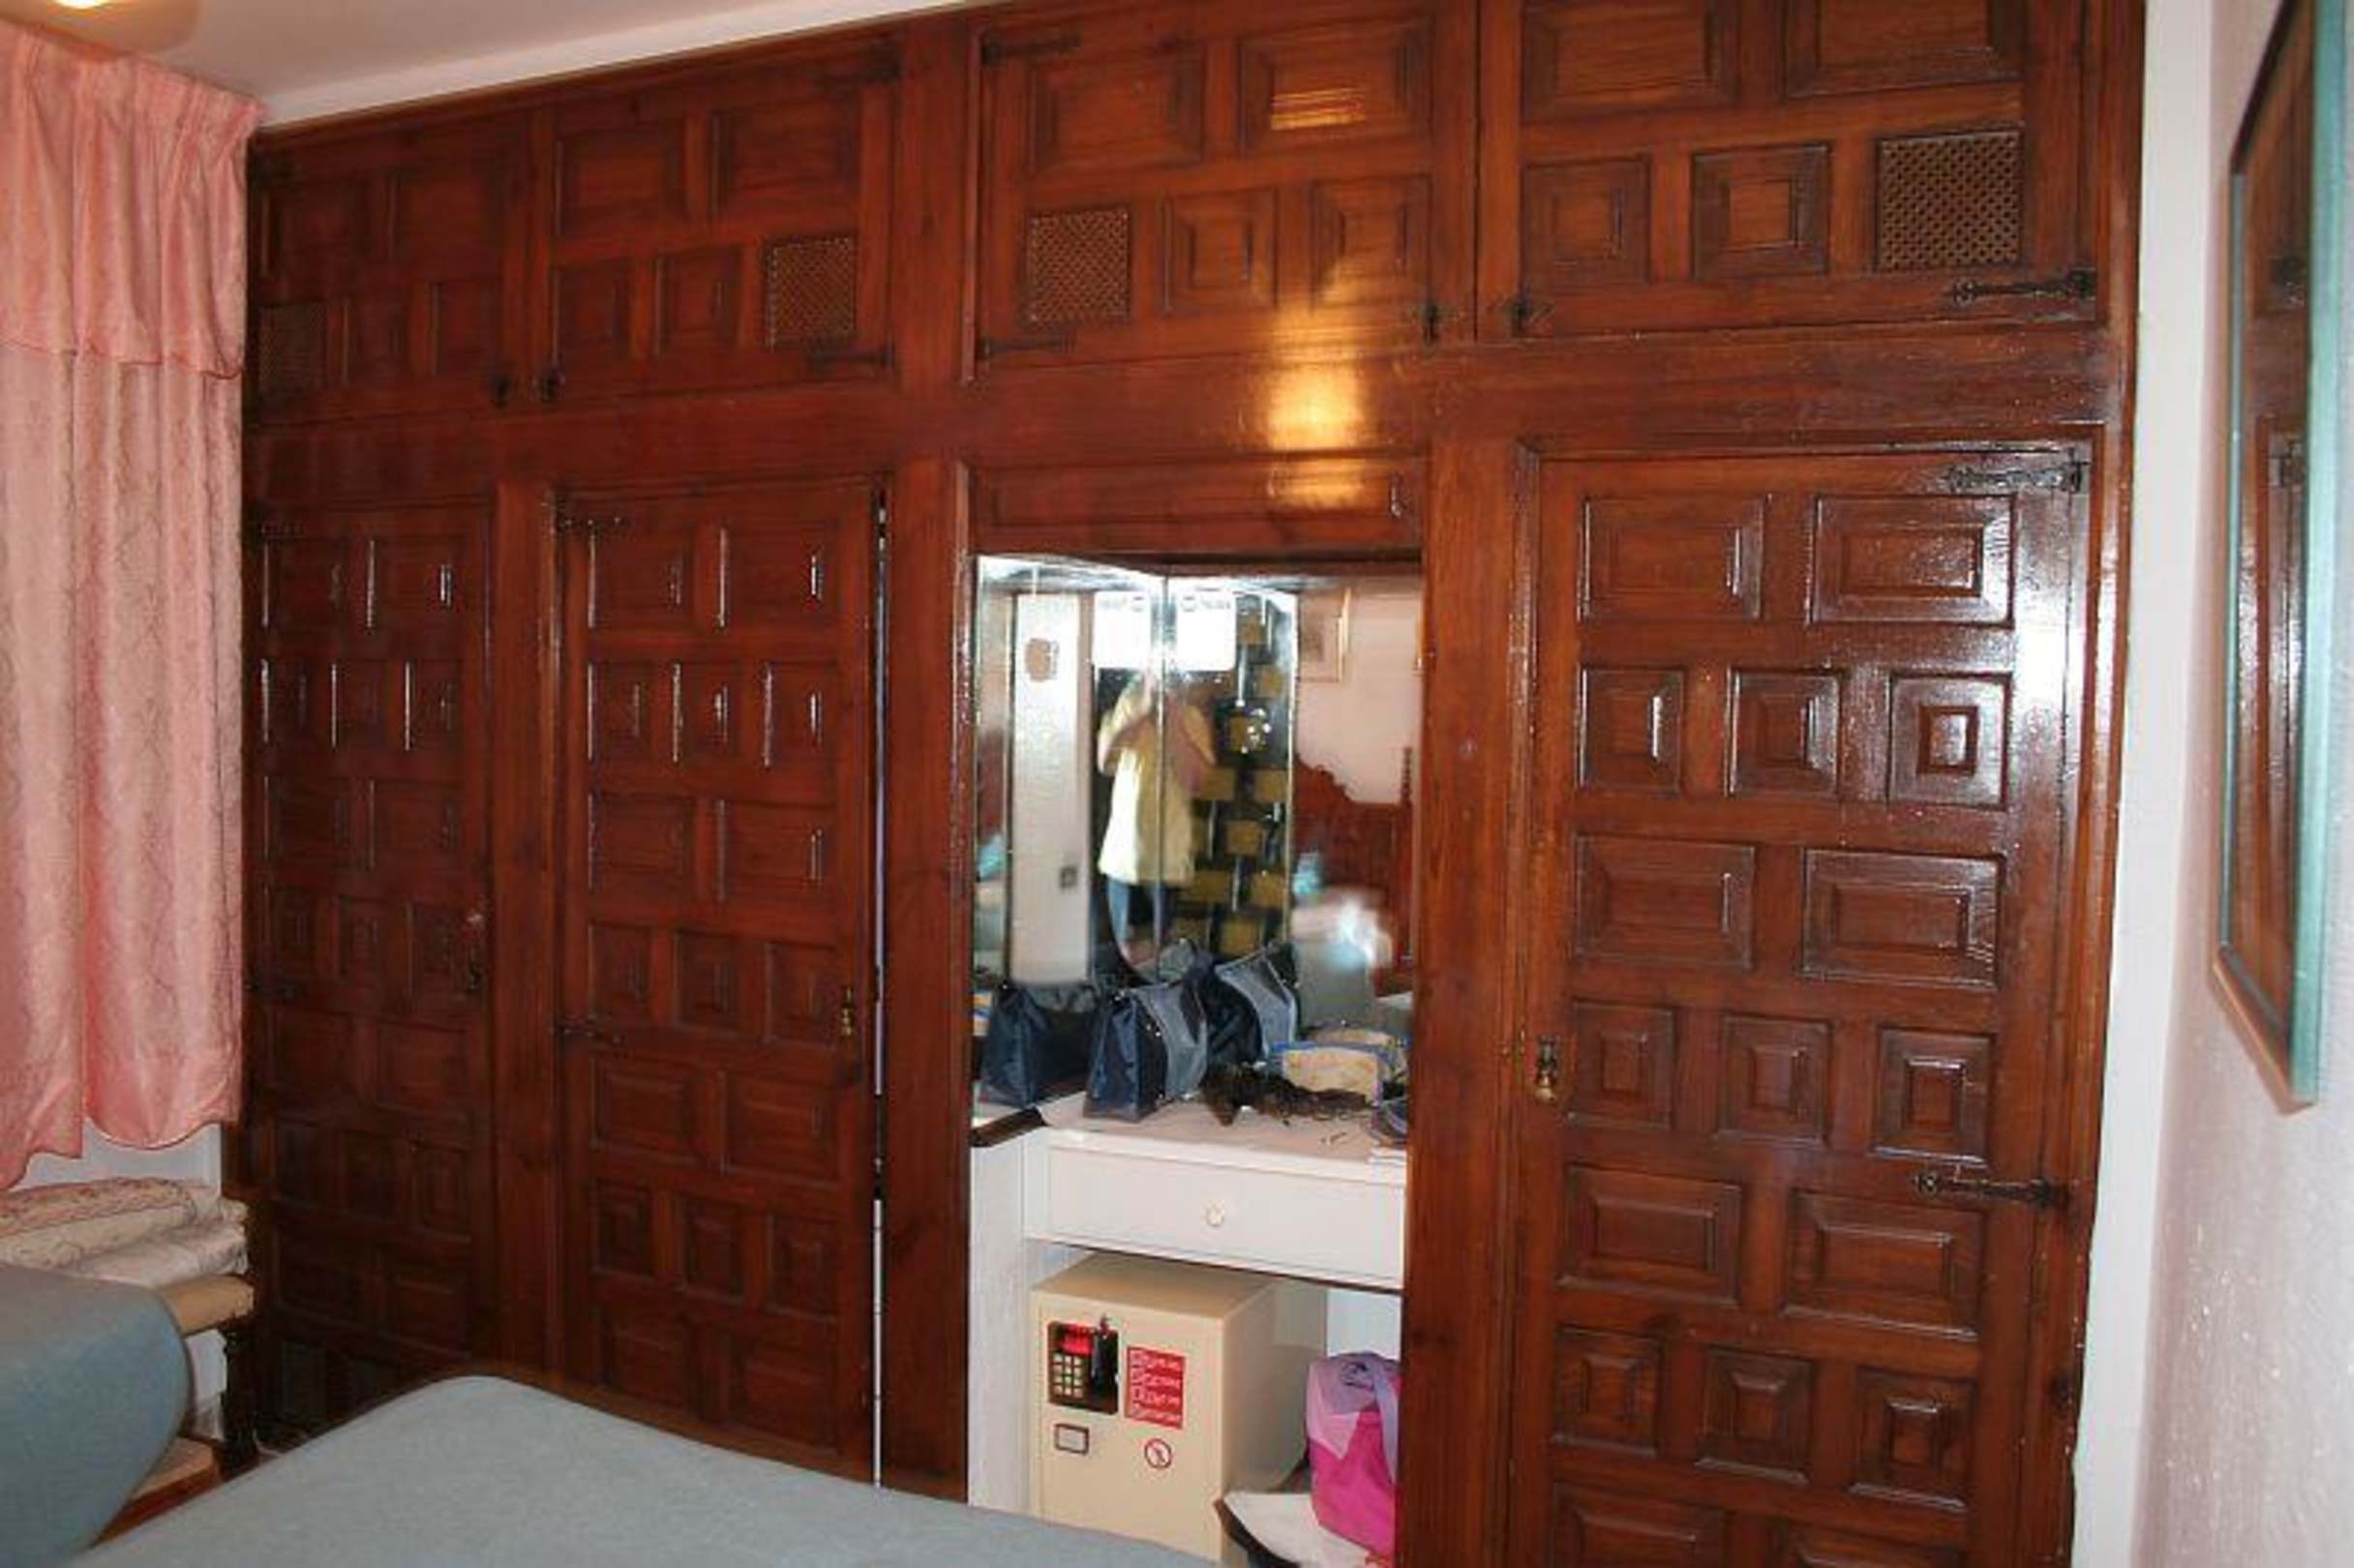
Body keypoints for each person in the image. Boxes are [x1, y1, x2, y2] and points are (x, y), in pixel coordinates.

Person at [1096, 666, 1218, 966]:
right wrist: (1142, 711)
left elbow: (1195, 781)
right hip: (1124, 857)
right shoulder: (1126, 707)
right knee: (1126, 953)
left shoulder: (1191, 719)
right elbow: (1104, 761)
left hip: (1167, 859)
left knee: (1156, 956)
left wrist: (1172, 721)